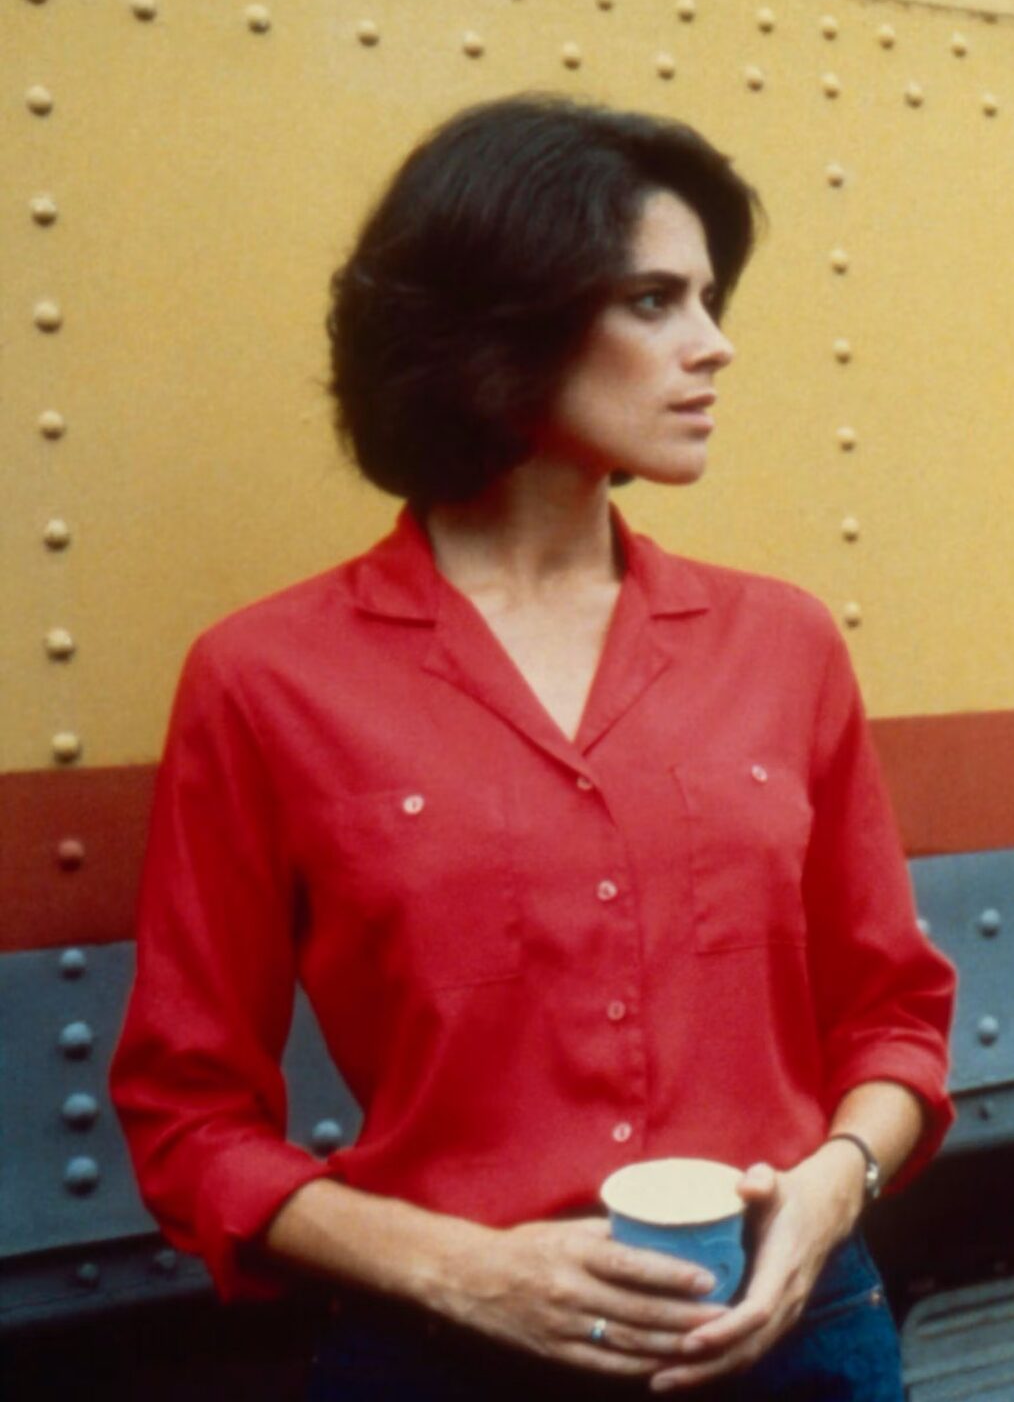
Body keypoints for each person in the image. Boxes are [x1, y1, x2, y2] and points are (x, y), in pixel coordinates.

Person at [109, 95, 956, 1399]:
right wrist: (460, 1270)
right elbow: (189, 1117)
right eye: (654, 301)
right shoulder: (265, 680)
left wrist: (833, 1192)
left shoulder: (782, 645)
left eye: (710, 299)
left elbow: (892, 1017)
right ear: (499, 324)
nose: (715, 346)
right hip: (443, 1357)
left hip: (795, 1338)